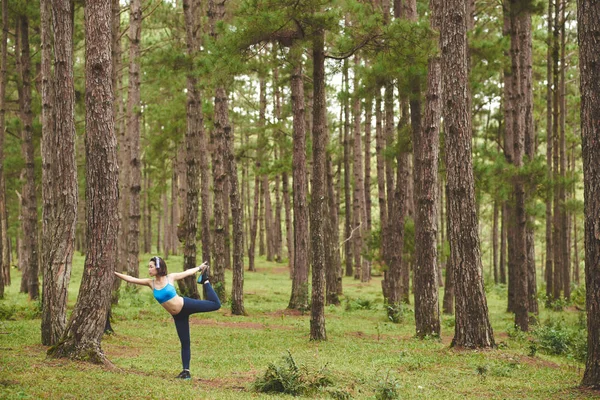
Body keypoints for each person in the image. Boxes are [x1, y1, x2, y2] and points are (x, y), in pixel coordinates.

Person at [114, 257, 221, 380]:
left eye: (151, 266)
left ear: (158, 267)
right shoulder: (151, 283)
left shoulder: (170, 278)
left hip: (186, 305)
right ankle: (186, 372)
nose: (149, 269)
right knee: (185, 342)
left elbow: (187, 273)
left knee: (216, 304)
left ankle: (205, 280)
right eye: (149, 267)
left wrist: (199, 268)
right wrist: (114, 272)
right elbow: (132, 279)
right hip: (178, 316)